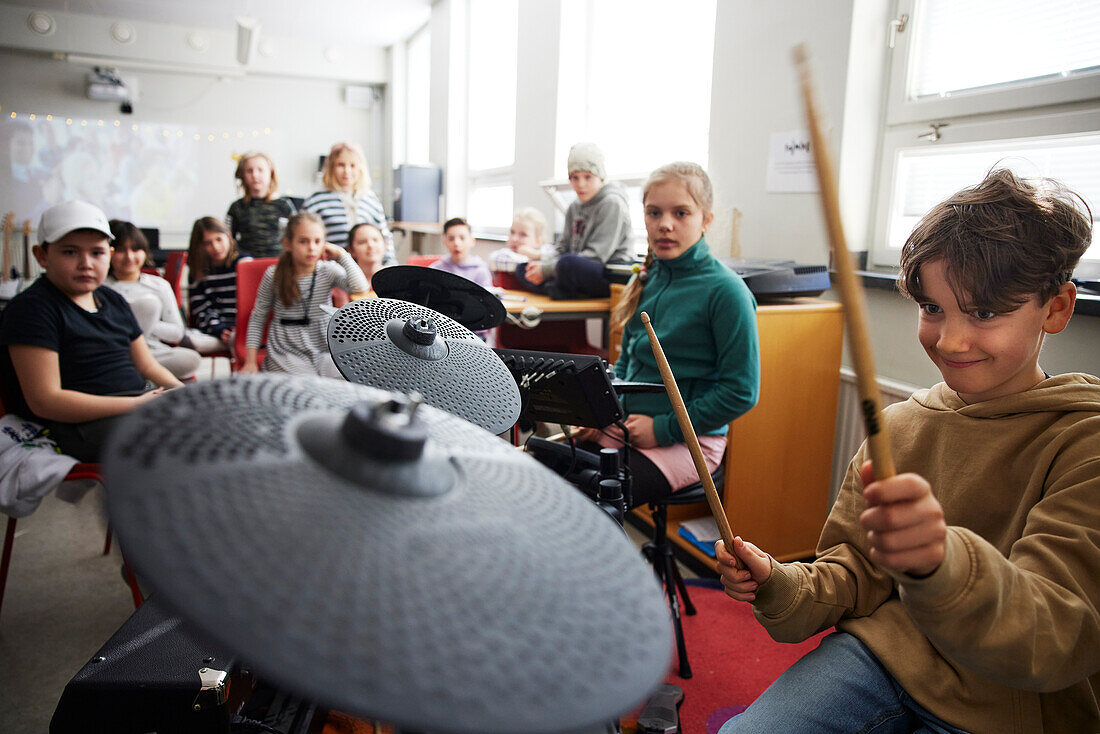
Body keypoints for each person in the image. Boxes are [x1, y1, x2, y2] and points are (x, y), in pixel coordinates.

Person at [716, 169, 1099, 734]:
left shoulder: (1083, 441)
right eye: (933, 309)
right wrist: (779, 581)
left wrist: (941, 561)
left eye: (985, 313)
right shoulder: (898, 426)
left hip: (1010, 704)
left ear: (1056, 309)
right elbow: (854, 572)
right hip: (885, 655)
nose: (949, 340)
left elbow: (1055, 633)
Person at [575, 162, 759, 506]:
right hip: (628, 426)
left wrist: (663, 429)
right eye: (654, 213)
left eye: (681, 213)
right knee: (547, 474)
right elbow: (628, 363)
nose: (665, 225)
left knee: (591, 501)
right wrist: (603, 416)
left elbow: (741, 392)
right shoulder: (644, 279)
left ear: (706, 219)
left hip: (689, 439)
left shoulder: (727, 292)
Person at [0, 201, 182, 461]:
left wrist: (183, 394)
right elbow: (45, 400)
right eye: (70, 252)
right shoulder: (32, 309)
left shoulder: (114, 300)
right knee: (183, 441)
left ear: (109, 254)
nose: (85, 263)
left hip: (131, 407)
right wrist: (137, 404)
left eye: (97, 253)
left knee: (213, 422)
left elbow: (148, 366)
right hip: (73, 426)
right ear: (41, 255)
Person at [241, 211, 367, 376]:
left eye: (317, 241)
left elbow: (360, 287)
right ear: (288, 244)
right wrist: (250, 361)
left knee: (345, 380)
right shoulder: (274, 274)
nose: (312, 248)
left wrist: (343, 255)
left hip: (324, 347)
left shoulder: (328, 270)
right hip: (287, 349)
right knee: (305, 388)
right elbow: (259, 316)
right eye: (303, 241)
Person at [517, 142, 633, 299]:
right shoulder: (574, 207)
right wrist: (542, 265)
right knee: (523, 268)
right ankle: (565, 290)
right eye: (574, 178)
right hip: (573, 270)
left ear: (600, 176)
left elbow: (597, 256)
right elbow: (563, 248)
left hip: (608, 273)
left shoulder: (612, 203)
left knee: (567, 264)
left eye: (588, 177)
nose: (581, 184)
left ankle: (561, 289)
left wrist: (547, 270)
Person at [105, 220, 201, 381]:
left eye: (135, 249)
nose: (129, 257)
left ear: (145, 252)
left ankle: (138, 375)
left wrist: (143, 322)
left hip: (152, 351)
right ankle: (142, 376)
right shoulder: (101, 286)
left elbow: (177, 333)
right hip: (113, 350)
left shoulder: (159, 285)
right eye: (121, 250)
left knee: (191, 359)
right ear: (109, 252)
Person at [303, 142, 396, 265]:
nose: (347, 171)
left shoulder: (370, 199)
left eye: (352, 165)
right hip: (332, 270)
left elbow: (384, 237)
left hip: (367, 271)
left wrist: (390, 266)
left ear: (360, 168)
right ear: (331, 168)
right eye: (341, 165)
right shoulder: (316, 200)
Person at [182, 216, 249, 355]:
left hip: (245, 331)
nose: (216, 247)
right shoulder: (198, 272)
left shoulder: (244, 263)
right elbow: (201, 310)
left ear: (229, 236)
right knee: (186, 338)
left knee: (237, 339)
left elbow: (253, 305)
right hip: (216, 332)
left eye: (219, 239)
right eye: (208, 243)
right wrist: (219, 329)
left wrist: (237, 328)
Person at [430, 217, 495, 344]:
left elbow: (487, 310)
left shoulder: (481, 271)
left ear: (472, 241)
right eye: (451, 238)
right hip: (440, 333)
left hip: (472, 335)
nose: (456, 243)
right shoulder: (435, 270)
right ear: (444, 241)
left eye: (462, 238)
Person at [226, 151, 296, 259]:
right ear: (242, 175)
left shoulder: (284, 205)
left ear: (270, 173)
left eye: (260, 170)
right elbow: (228, 240)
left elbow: (295, 236)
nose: (255, 175)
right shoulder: (236, 207)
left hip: (278, 265)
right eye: (249, 171)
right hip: (247, 265)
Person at [487, 207, 549, 288]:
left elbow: (556, 260)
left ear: (538, 241)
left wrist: (536, 255)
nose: (514, 239)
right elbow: (493, 258)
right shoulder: (504, 254)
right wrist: (533, 257)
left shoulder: (546, 250)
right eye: (512, 232)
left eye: (523, 234)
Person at [345, 222, 389, 291]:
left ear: (385, 245)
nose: (370, 245)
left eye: (375, 240)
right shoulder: (342, 283)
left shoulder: (396, 278)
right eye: (362, 242)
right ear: (350, 250)